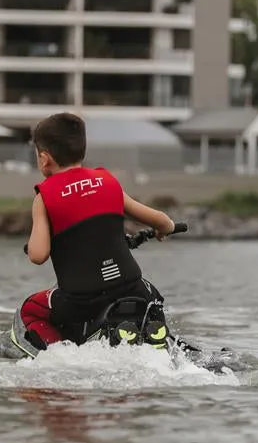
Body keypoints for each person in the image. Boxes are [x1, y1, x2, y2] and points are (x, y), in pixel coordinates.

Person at [21, 112, 175, 351]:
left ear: (44, 159)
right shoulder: (107, 181)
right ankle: (155, 333)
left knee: (31, 308)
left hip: (82, 300)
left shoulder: (44, 197)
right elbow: (162, 220)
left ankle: (61, 355)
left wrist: (33, 244)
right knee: (151, 295)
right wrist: (165, 230)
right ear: (82, 150)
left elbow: (38, 255)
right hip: (129, 286)